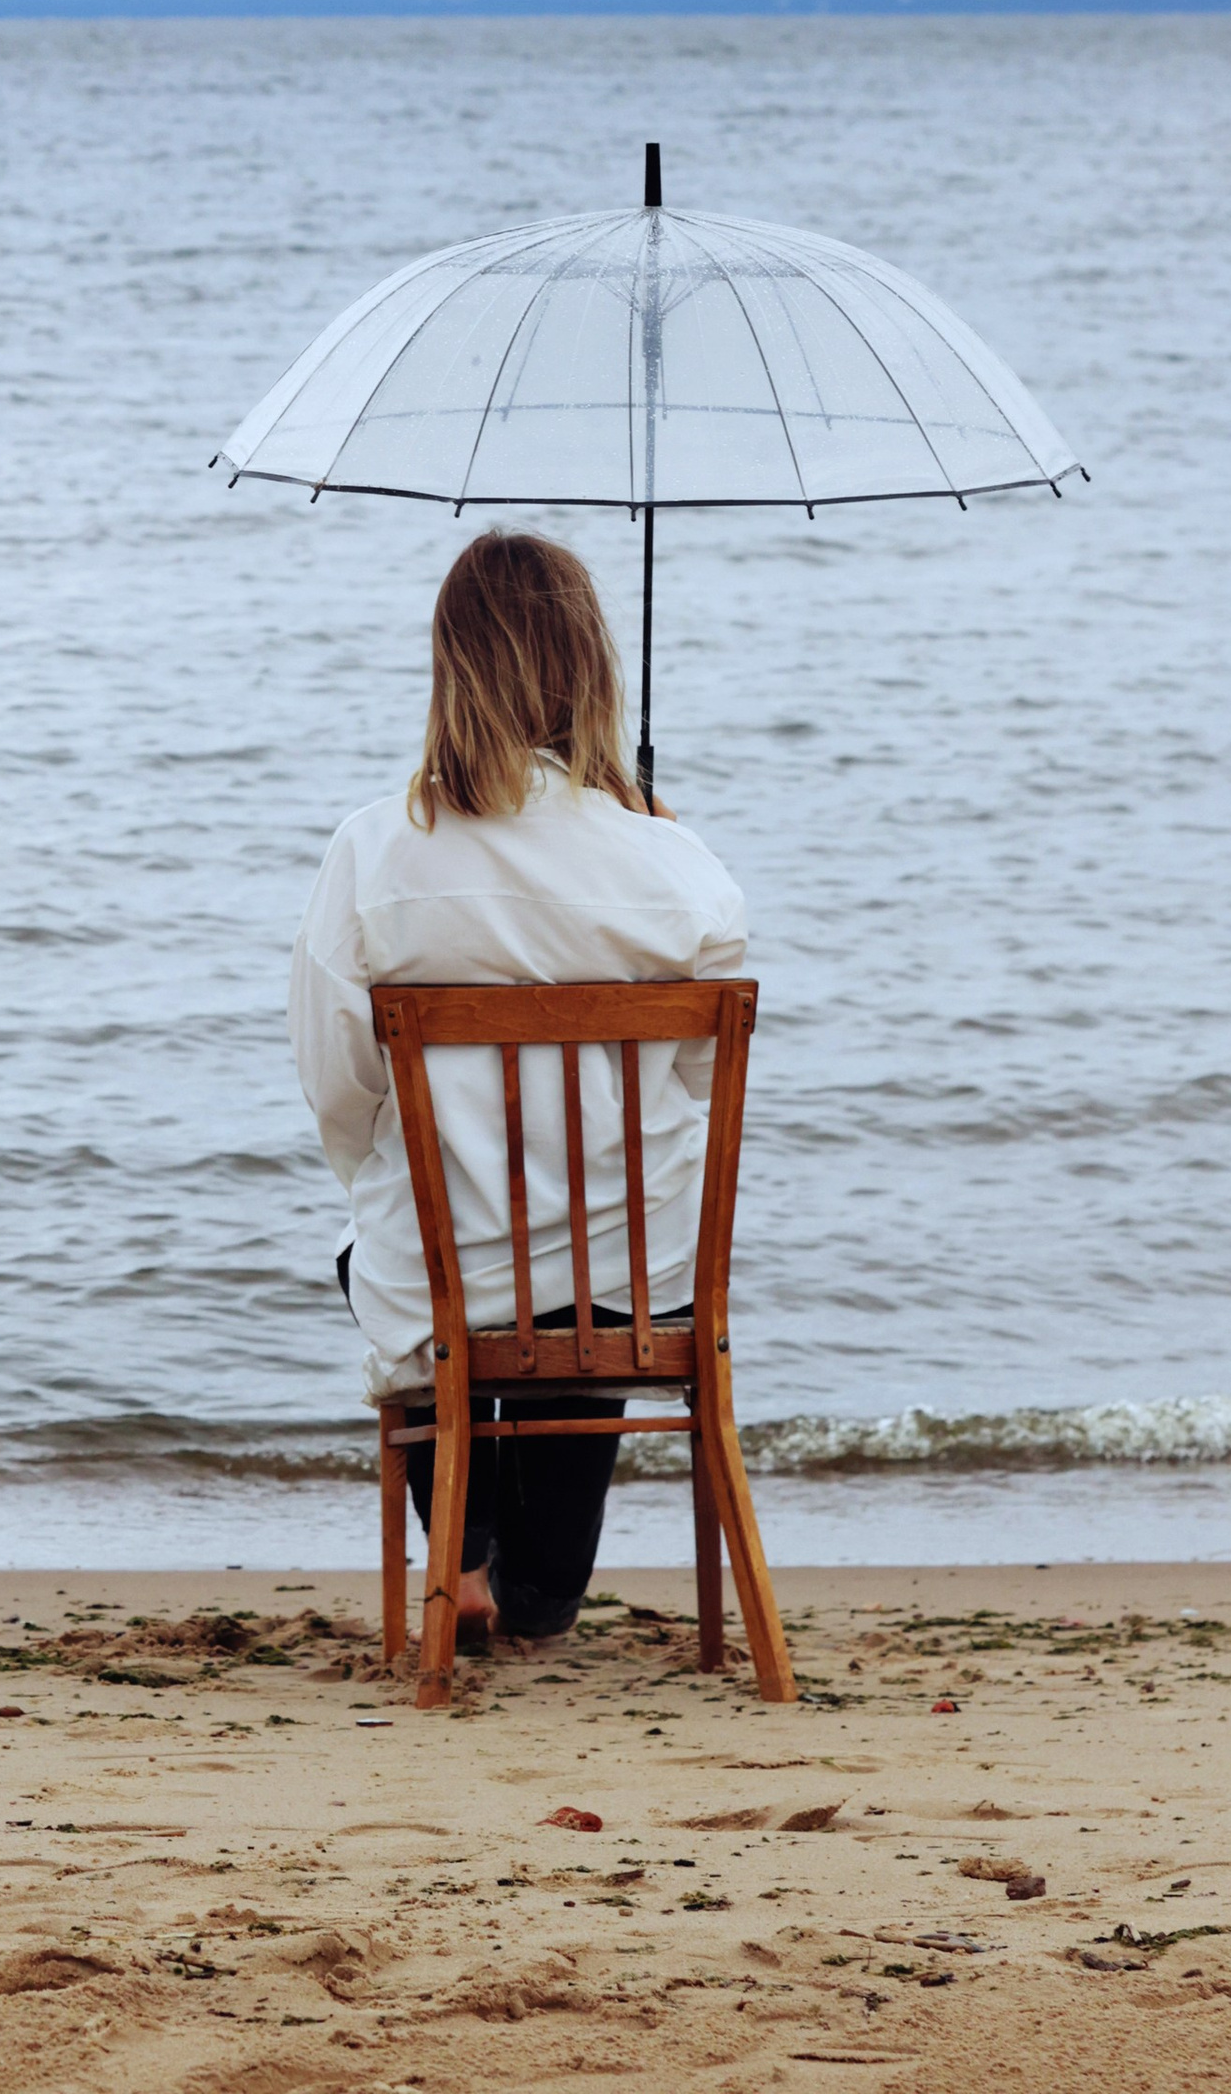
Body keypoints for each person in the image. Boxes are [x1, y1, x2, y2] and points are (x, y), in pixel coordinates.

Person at [289, 526, 747, 1650]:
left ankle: (463, 1557)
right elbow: (696, 1074)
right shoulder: (672, 864)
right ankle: (532, 1589)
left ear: (452, 666)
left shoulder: (373, 853)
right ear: (592, 668)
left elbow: (337, 1081)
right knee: (575, 1284)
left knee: (383, 1257)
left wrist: (398, 1186)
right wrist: (650, 837)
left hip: (444, 1276)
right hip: (632, 1280)